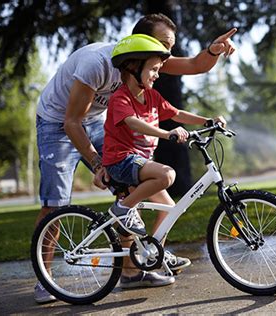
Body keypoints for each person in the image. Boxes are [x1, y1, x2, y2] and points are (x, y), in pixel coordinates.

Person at [34, 13, 236, 304]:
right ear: (140, 43)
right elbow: (71, 122)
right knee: (55, 204)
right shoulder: (99, 63)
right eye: (163, 45)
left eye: (170, 48)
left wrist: (213, 50)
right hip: (59, 121)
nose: (167, 56)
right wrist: (97, 163)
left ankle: (132, 269)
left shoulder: (148, 62)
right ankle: (45, 279)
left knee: (131, 187)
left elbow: (194, 64)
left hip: (99, 120)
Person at [104, 34, 226, 289]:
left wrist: (207, 121)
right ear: (133, 67)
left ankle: (152, 252)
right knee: (167, 175)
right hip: (121, 162)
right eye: (153, 69)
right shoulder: (121, 98)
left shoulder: (152, 96)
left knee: (170, 208)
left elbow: (176, 113)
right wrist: (165, 133)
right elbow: (132, 122)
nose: (157, 75)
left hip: (138, 162)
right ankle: (123, 210)